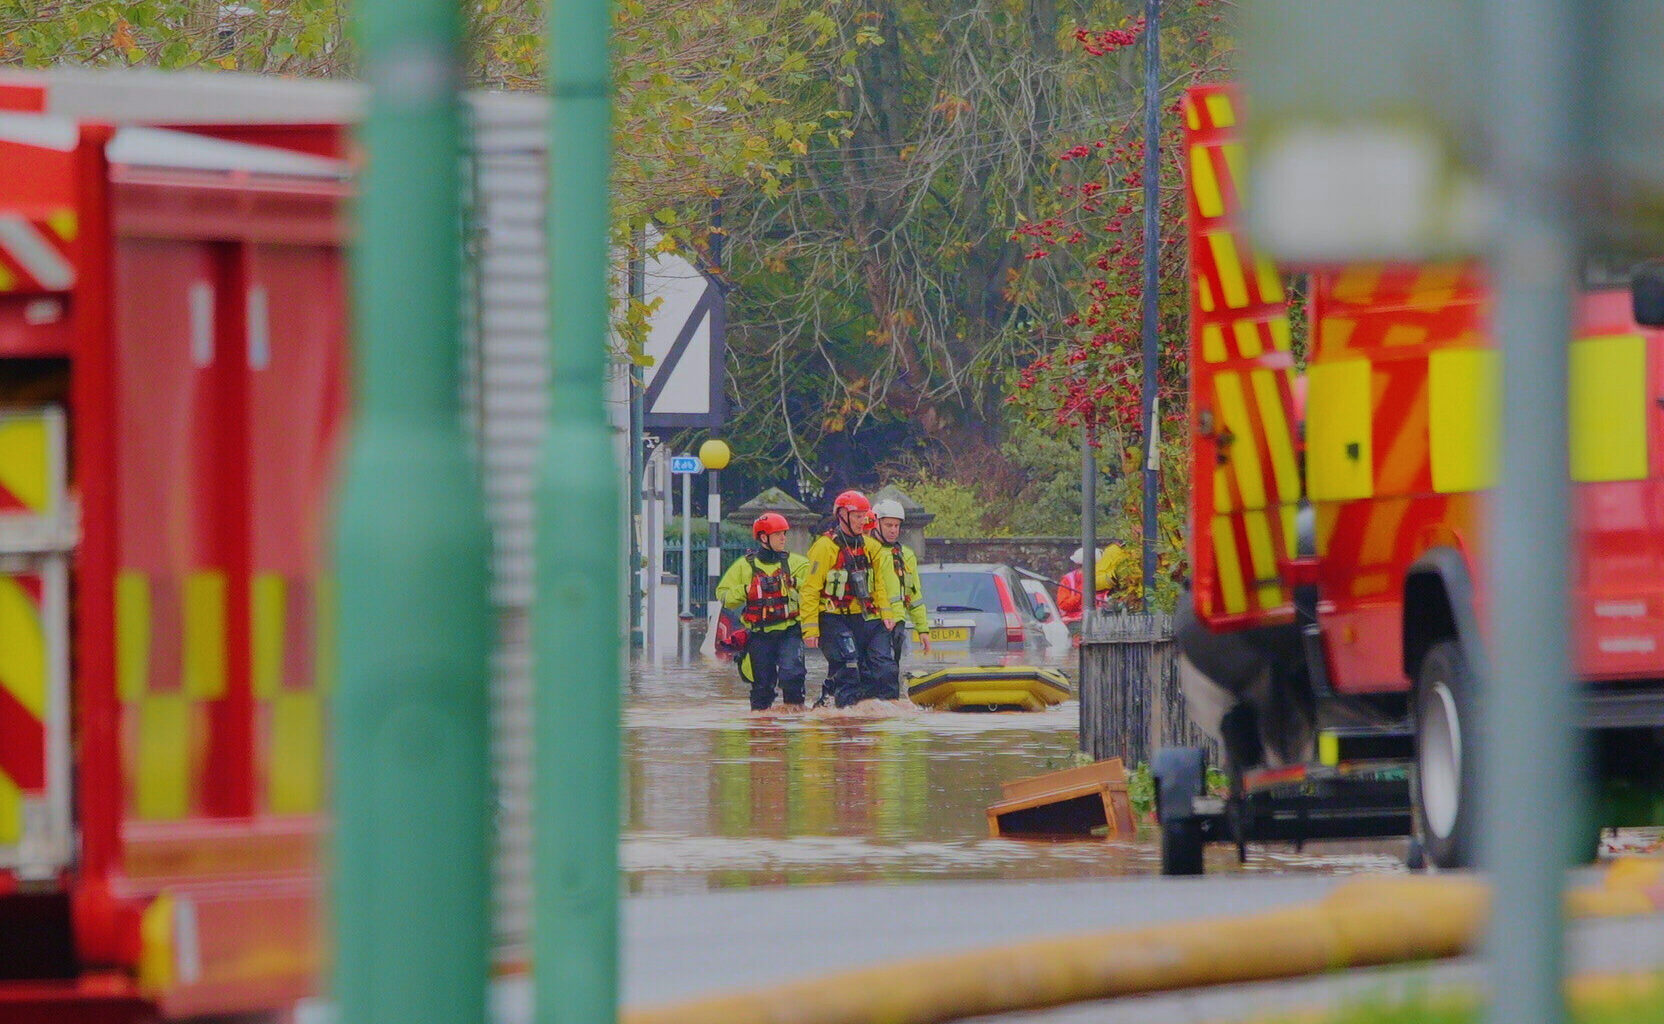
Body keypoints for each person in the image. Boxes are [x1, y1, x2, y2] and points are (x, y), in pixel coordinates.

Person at [800, 490, 903, 708]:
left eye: (864, 516)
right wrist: (810, 630)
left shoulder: (871, 547)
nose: (861, 521)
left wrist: (887, 613)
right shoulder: (824, 547)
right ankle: (844, 718)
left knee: (885, 667)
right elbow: (810, 590)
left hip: (865, 616)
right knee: (849, 666)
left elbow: (879, 586)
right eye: (857, 516)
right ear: (843, 515)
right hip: (834, 618)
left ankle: (887, 714)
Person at [715, 512, 812, 711]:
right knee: (762, 687)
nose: (784, 538)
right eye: (778, 534)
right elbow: (722, 595)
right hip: (759, 634)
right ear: (763, 538)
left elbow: (814, 590)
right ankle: (762, 733)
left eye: (784, 534)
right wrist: (745, 591)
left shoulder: (798, 564)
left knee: (793, 675)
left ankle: (795, 721)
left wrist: (795, 583)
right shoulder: (744, 566)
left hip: (790, 631)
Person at [871, 498, 931, 669]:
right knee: (880, 670)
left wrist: (923, 630)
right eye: (889, 525)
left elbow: (914, 596)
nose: (893, 530)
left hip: (898, 623)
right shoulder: (868, 552)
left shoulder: (907, 555)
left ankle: (891, 696)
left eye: (896, 526)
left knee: (892, 669)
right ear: (876, 523)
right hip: (874, 622)